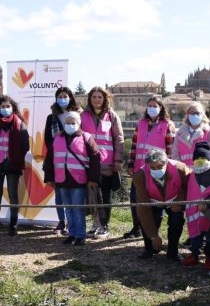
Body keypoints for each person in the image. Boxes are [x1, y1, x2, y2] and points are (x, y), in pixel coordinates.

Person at [44, 111, 100, 245]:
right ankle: (72, 234)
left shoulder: (86, 137)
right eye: (67, 123)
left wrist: (93, 179)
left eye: (73, 123)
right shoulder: (57, 138)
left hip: (78, 179)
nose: (70, 125)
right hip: (61, 179)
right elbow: (50, 159)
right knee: (68, 208)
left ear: (79, 123)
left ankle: (80, 235)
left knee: (77, 208)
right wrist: (49, 178)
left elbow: (95, 158)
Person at [125, 96, 176, 239]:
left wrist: (168, 170)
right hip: (138, 170)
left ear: (161, 108)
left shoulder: (167, 125)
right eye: (150, 105)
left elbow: (170, 150)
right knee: (135, 200)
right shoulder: (140, 124)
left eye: (155, 105)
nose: (152, 108)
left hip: (157, 171)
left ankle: (152, 233)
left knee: (155, 204)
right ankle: (137, 228)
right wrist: (130, 163)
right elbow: (134, 146)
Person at [80, 86, 125, 238]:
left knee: (105, 195)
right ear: (90, 99)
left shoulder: (112, 116)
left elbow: (119, 139)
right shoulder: (83, 115)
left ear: (105, 99)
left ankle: (104, 226)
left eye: (100, 97)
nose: (97, 100)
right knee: (91, 195)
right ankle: (95, 224)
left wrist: (118, 160)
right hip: (89, 162)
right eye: (94, 97)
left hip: (108, 161)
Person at [132, 148, 189, 259]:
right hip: (152, 202)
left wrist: (180, 201)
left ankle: (173, 251)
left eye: (159, 167)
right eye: (152, 167)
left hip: (174, 199)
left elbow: (188, 187)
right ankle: (149, 249)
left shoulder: (181, 169)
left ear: (166, 163)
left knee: (177, 221)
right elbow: (143, 209)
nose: (156, 170)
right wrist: (153, 236)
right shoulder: (140, 176)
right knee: (147, 221)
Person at [0, 96, 30, 236]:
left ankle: (13, 224)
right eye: (2, 106)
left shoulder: (20, 123)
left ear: (13, 108)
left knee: (13, 193)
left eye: (8, 106)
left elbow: (25, 145)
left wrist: (16, 156)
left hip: (13, 164)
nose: (5, 109)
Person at [44, 86, 81, 236]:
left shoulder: (79, 115)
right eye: (59, 96)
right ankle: (62, 221)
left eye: (65, 96)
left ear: (71, 97)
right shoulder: (51, 117)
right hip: (56, 159)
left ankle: (76, 226)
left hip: (75, 161)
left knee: (75, 194)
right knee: (59, 192)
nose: (62, 99)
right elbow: (47, 139)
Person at [181, 141, 210, 268]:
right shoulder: (192, 173)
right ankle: (194, 254)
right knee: (195, 234)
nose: (199, 160)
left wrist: (207, 205)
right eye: (197, 158)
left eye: (202, 158)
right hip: (194, 212)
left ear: (208, 158)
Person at [172, 101, 210, 167]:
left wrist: (203, 170)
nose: (194, 115)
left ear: (203, 115)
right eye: (192, 113)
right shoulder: (179, 133)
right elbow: (175, 154)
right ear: (187, 115)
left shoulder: (209, 131)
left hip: (203, 173)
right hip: (183, 173)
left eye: (197, 113)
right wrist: (182, 170)